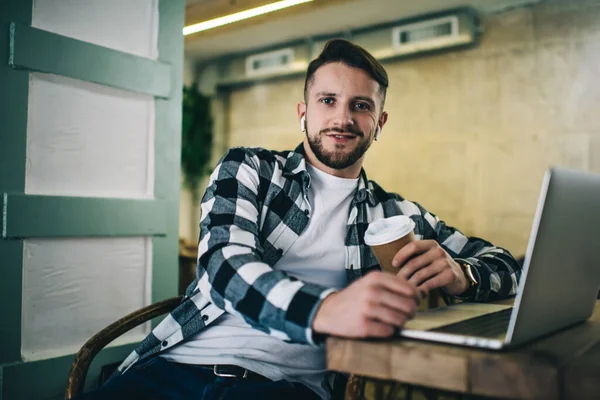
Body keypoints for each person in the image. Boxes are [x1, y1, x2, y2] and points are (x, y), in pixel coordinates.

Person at [78, 39, 521, 400]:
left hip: (284, 388)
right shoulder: (249, 170)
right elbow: (222, 266)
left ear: (380, 122)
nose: (343, 118)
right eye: (328, 100)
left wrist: (463, 274)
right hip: (175, 368)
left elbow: (509, 265)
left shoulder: (397, 215)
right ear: (304, 111)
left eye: (361, 106)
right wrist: (326, 309)